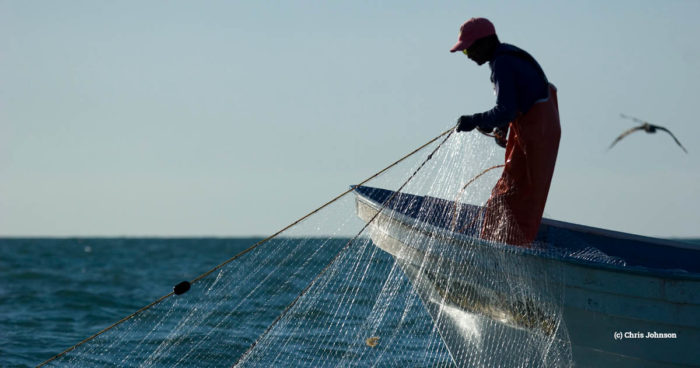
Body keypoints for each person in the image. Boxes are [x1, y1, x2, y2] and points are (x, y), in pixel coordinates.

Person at [450, 17, 561, 246]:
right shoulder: (509, 56)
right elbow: (519, 102)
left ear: (484, 42)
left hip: (537, 135)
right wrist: (502, 126)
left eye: (468, 49)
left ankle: (502, 250)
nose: (468, 56)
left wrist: (475, 120)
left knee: (514, 197)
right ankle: (507, 244)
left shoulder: (502, 63)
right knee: (515, 195)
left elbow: (506, 109)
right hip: (539, 130)